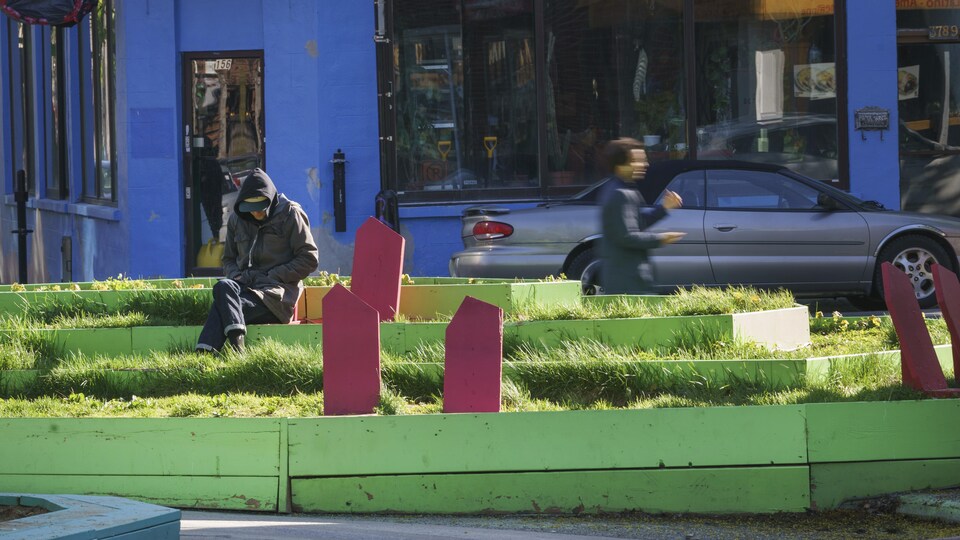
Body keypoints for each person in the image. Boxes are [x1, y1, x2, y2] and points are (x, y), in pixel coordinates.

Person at [196, 168, 319, 353]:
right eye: (251, 210)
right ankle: (235, 350)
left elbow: (309, 258)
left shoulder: (291, 214)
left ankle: (205, 354)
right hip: (245, 286)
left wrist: (275, 275)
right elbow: (228, 259)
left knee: (224, 307)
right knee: (223, 287)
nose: (256, 214)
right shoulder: (236, 219)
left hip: (276, 295)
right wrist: (236, 275)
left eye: (260, 209)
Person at [598, 138, 684, 295]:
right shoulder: (620, 193)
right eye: (638, 161)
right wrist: (660, 238)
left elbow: (635, 225)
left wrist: (663, 208)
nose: (645, 165)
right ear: (620, 165)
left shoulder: (619, 189)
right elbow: (625, 236)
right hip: (627, 283)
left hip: (630, 280)